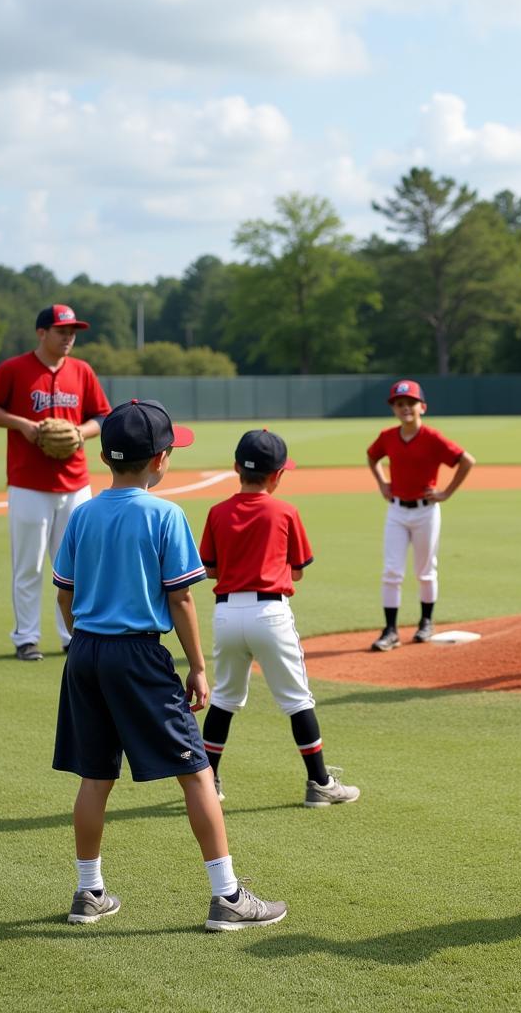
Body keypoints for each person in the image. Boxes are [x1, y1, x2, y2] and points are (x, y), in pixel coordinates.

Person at [52, 399, 287, 931]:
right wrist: (198, 667)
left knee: (95, 776)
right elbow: (180, 599)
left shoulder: (83, 512)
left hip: (86, 652)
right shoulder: (165, 514)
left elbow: (63, 593)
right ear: (160, 460)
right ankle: (227, 897)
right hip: (137, 655)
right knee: (197, 772)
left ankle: (89, 891)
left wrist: (83, 635)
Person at [199, 429, 360, 808]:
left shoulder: (217, 511)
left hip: (226, 612)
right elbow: (299, 569)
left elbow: (209, 569)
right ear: (279, 474)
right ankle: (320, 784)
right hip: (270, 612)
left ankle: (209, 782)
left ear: (236, 467)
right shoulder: (285, 510)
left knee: (225, 698)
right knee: (296, 700)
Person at [0, 304, 111, 661]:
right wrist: (22, 424)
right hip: (28, 483)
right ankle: (26, 638)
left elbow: (102, 416)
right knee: (29, 565)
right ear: (41, 333)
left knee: (77, 565)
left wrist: (81, 431)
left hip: (76, 483)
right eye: (62, 331)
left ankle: (73, 635)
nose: (69, 338)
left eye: (73, 332)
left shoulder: (81, 371)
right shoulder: (15, 369)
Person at [366, 379, 476, 651]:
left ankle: (426, 622)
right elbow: (372, 456)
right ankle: (390, 630)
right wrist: (382, 483)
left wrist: (446, 492)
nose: (405, 408)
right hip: (397, 510)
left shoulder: (433, 438)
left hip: (426, 512)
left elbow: (466, 460)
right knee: (392, 571)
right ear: (394, 408)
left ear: (422, 407)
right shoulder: (387, 437)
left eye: (410, 404)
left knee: (426, 571)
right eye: (399, 404)